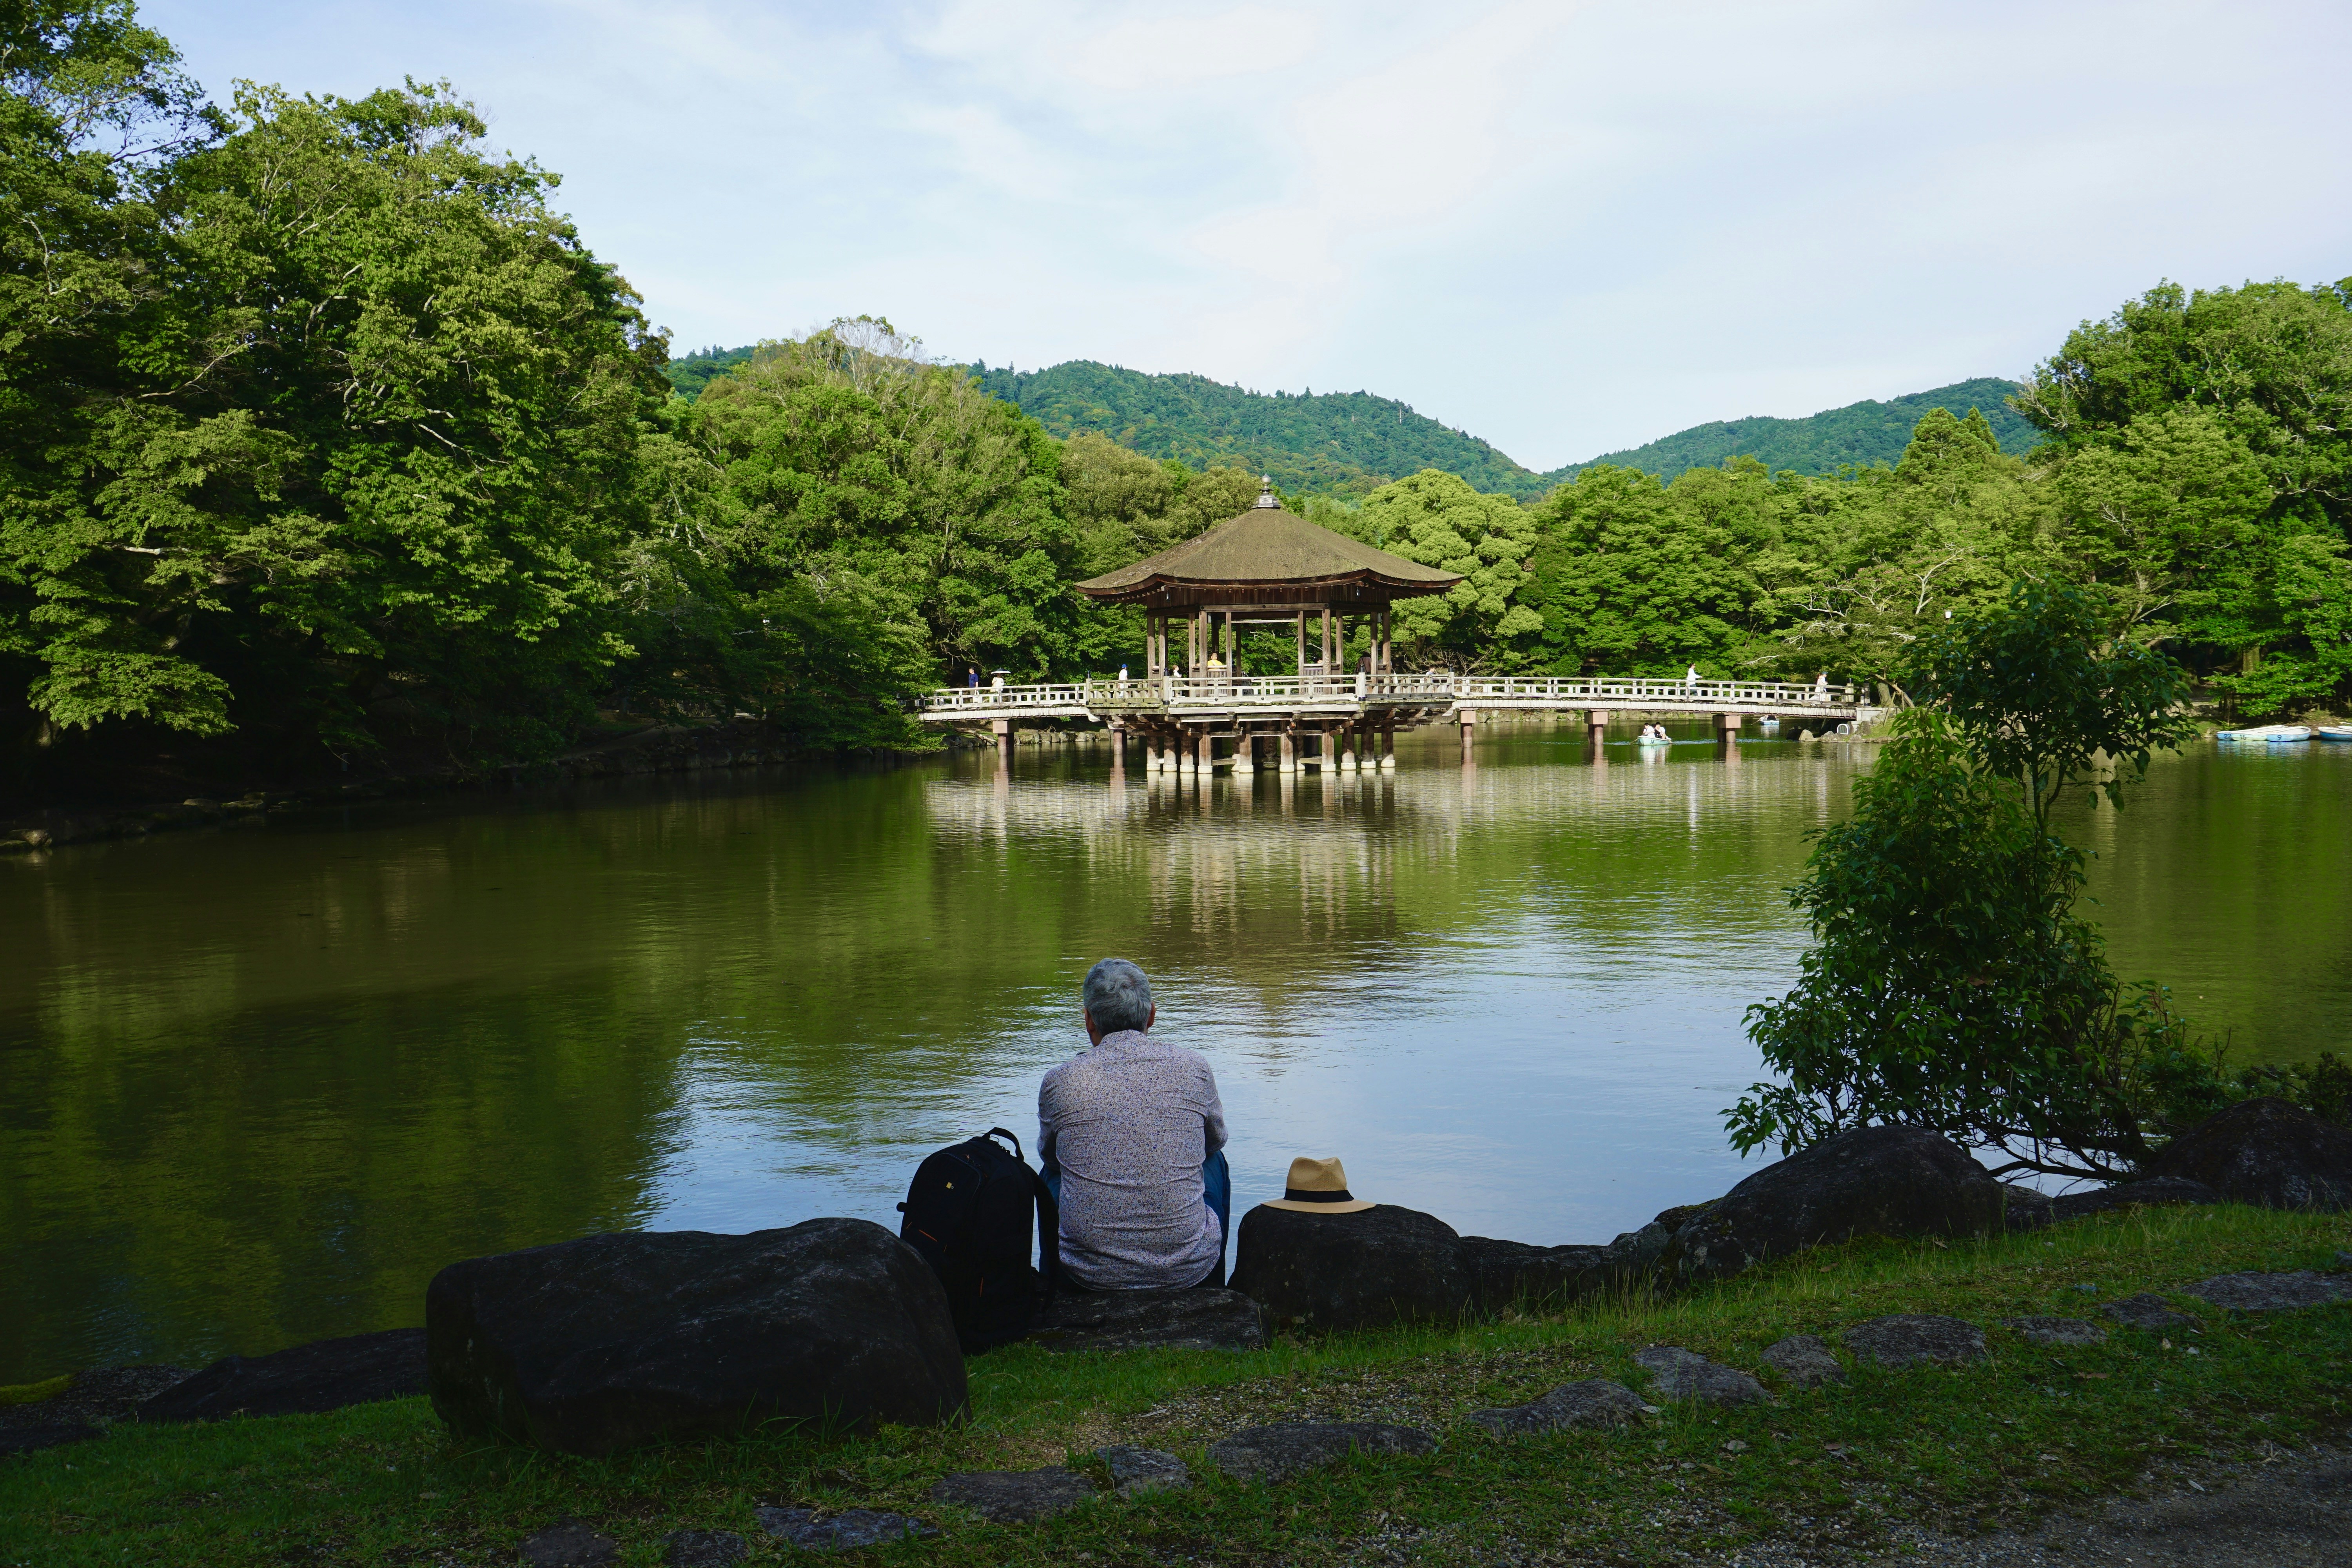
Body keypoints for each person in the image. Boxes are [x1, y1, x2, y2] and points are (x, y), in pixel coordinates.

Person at [1039, 958, 1230, 1291]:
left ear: (1088, 1020)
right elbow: (1215, 1141)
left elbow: (1050, 1156)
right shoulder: (1194, 1067)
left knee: (1052, 1173)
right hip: (1187, 1269)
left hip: (1090, 1274)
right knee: (1215, 1160)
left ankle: (1051, 1286)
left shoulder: (1060, 1080)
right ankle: (1214, 1287)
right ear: (1151, 1015)